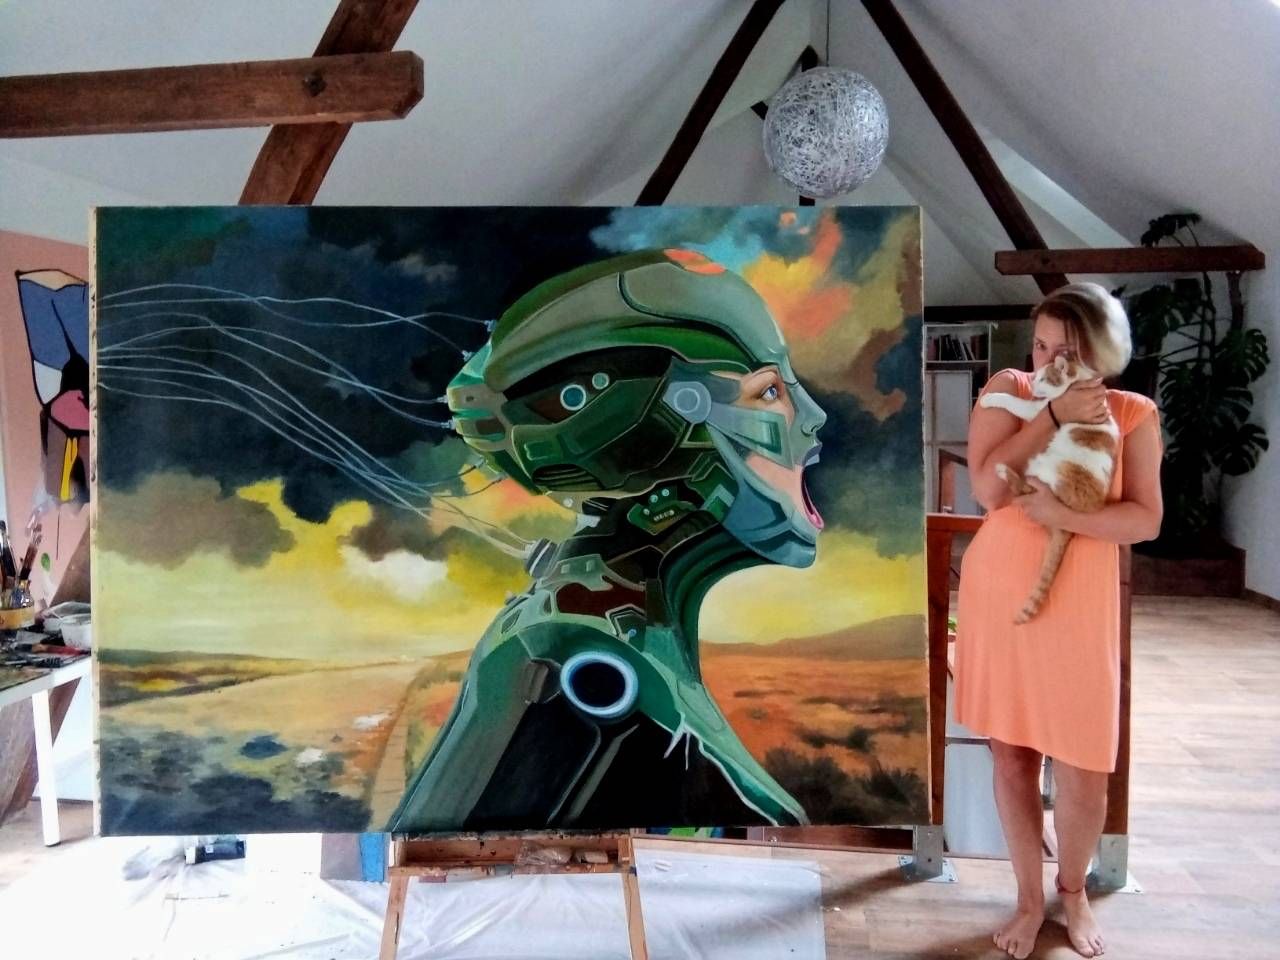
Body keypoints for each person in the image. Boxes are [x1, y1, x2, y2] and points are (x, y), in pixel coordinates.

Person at [388, 248, 827, 833]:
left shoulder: (618, 626)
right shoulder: (580, 655)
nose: (813, 417)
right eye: (768, 392)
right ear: (673, 429)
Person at [953, 282, 1164, 959]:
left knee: (1083, 766)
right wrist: (1049, 414)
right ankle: (1025, 898)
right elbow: (987, 488)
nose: (1046, 361)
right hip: (1002, 592)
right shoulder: (1007, 391)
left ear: (1102, 351)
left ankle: (1071, 891)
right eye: (1040, 345)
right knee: (1012, 755)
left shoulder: (1131, 413)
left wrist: (1066, 515)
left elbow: (1146, 519)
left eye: (1065, 350)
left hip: (1080, 604)